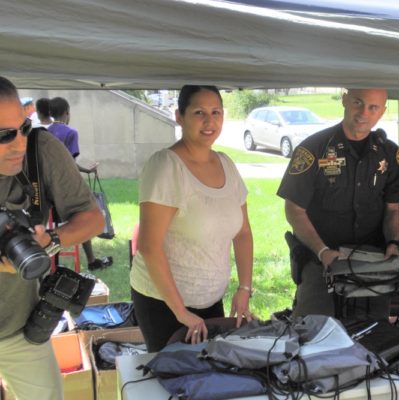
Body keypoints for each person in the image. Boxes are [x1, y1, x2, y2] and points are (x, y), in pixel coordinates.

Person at [0, 76, 104, 400]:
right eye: (4, 135)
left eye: (24, 127)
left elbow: (93, 219)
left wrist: (51, 242)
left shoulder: (39, 149)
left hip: (20, 327)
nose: (19, 143)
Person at [130, 85, 254, 352]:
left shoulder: (227, 164)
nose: (209, 121)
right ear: (179, 116)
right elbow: (149, 247)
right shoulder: (165, 166)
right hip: (163, 303)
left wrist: (244, 288)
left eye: (216, 112)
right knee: (174, 382)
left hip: (210, 298)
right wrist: (181, 312)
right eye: (199, 112)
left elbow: (243, 233)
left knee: (213, 376)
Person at [277, 88, 399, 320]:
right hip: (322, 263)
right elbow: (294, 209)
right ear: (345, 99)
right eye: (358, 102)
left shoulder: (389, 153)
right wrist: (322, 251)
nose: (363, 112)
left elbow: (393, 208)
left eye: (373, 107)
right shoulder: (313, 149)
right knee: (312, 334)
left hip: (372, 264)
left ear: (382, 112)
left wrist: (394, 243)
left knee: (371, 335)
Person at [48, 96, 112, 271]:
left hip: (46, 194)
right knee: (84, 216)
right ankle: (91, 260)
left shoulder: (44, 132)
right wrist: (87, 170)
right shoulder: (70, 133)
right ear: (67, 112)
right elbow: (69, 165)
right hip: (65, 191)